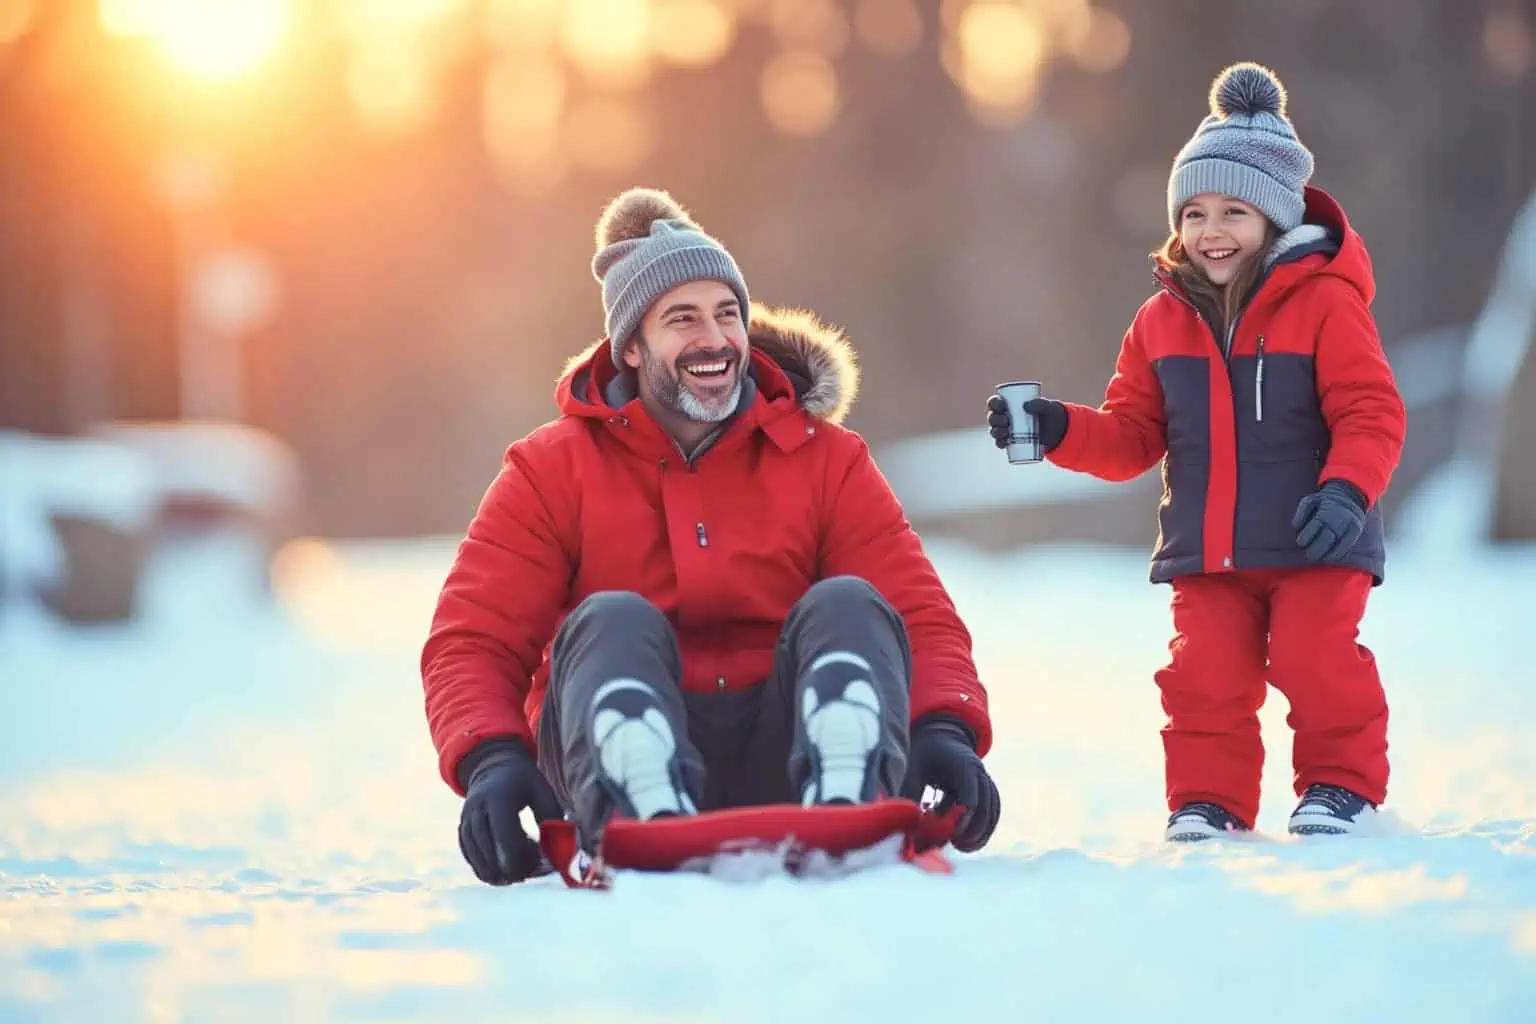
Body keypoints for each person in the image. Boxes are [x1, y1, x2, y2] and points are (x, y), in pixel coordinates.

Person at [423, 186, 1001, 885]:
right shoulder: (551, 469)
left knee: (852, 602)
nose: (715, 339)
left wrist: (945, 728)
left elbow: (917, 614)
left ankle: (845, 775)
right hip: (614, 736)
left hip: (784, 745)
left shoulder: (825, 458)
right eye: (682, 319)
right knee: (610, 618)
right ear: (631, 348)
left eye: (728, 314)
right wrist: (490, 758)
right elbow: (473, 637)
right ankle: (638, 784)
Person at [986, 62, 1406, 842]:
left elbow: (1370, 411)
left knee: (1317, 659)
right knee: (1201, 679)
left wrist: (1347, 491)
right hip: (1209, 552)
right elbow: (1132, 437)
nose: (1211, 231)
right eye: (1195, 211)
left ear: (1275, 218)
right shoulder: (1160, 321)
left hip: (1319, 538)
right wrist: (1055, 429)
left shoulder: (1325, 305)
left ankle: (1341, 787)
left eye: (1234, 212)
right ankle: (1208, 802)